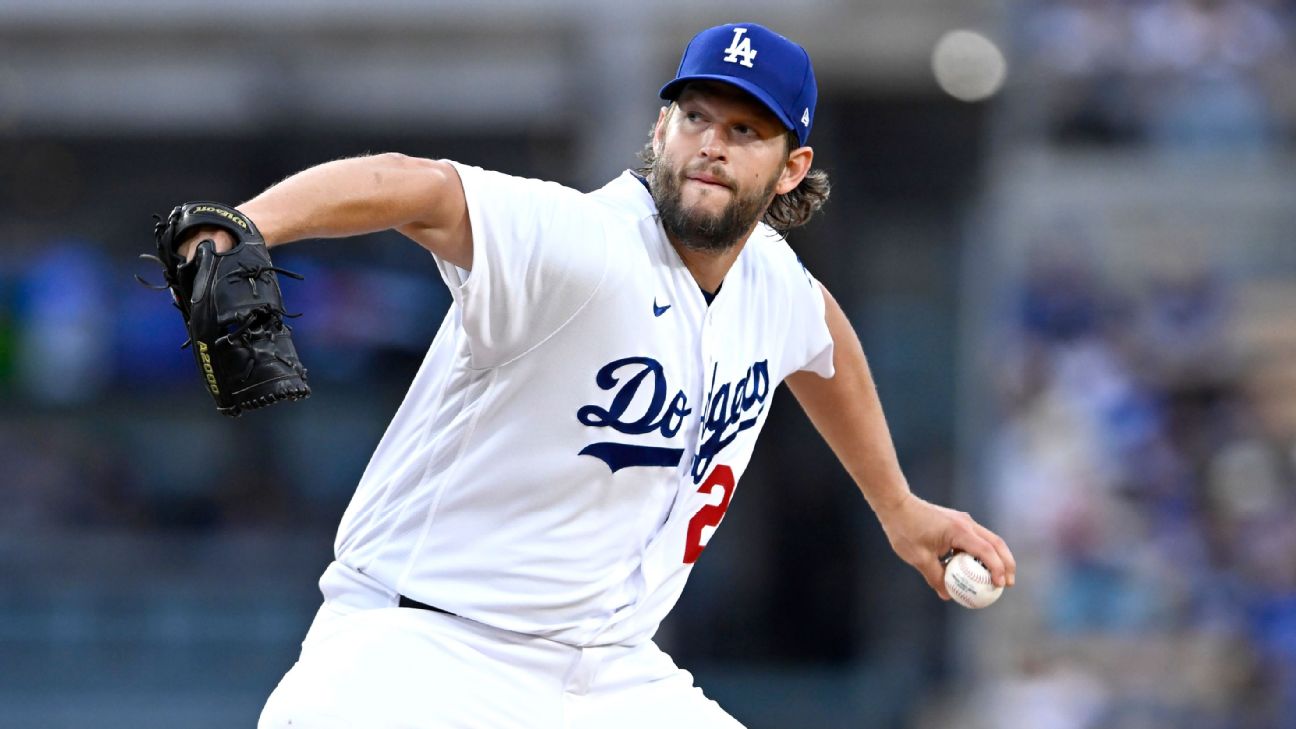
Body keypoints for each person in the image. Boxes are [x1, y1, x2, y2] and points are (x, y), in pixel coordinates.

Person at [178, 21, 1015, 729]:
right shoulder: (583, 241)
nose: (711, 146)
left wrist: (899, 507)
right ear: (661, 130)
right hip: (423, 654)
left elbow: (825, 342)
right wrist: (247, 224)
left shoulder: (772, 280)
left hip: (606, 672)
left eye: (745, 131)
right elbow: (414, 187)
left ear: (791, 168)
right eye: (696, 117)